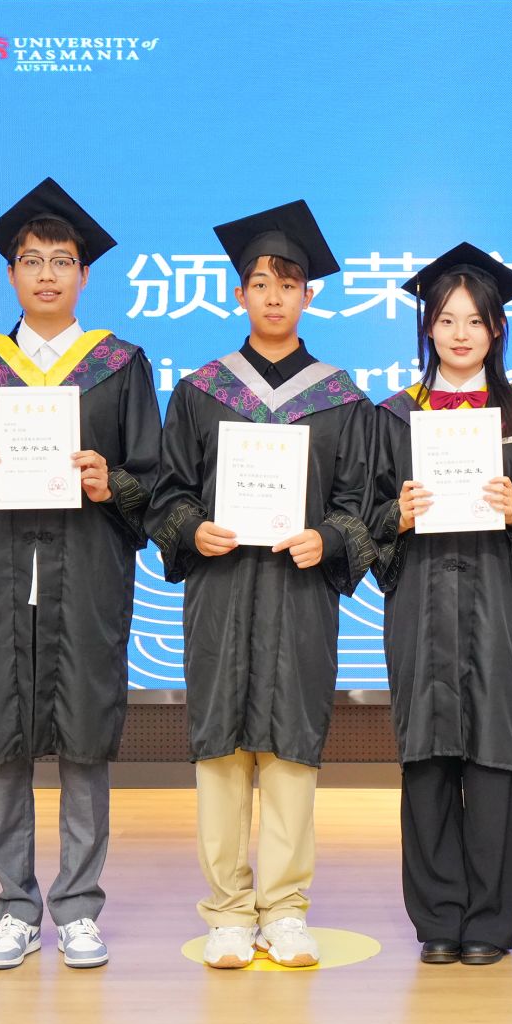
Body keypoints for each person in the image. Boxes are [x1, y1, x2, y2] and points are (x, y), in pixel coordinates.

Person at [0, 177, 161, 970]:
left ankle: (79, 907)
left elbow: (153, 475)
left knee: (85, 740)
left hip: (86, 573)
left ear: (84, 274)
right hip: (2, 573)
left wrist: (110, 482)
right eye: (32, 260)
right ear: (11, 273)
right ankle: (16, 908)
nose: (47, 274)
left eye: (61, 261)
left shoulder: (119, 366)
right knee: (5, 739)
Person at [146, 199, 378, 969]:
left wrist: (329, 538)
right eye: (260, 282)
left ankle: (284, 909)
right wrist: (191, 528)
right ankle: (226, 910)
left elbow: (362, 504)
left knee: (290, 751)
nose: (274, 296)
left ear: (309, 294)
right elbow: (167, 493)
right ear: (239, 293)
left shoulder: (340, 397)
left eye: (289, 282)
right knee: (221, 751)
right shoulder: (201, 390)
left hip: (299, 595)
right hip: (221, 593)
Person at [372, 244, 512, 966]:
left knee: (493, 755)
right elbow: (364, 514)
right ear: (427, 329)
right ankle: (437, 917)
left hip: (495, 606)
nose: (460, 333)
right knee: (426, 756)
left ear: (497, 329)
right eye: (446, 319)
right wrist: (396, 516)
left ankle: (491, 921)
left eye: (475, 320)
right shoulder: (392, 416)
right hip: (419, 603)